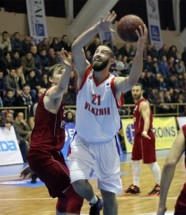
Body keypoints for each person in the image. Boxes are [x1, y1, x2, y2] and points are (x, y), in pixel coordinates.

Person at [69, 11, 147, 215]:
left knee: (110, 194)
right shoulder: (83, 73)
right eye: (96, 51)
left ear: (111, 61)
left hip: (106, 145)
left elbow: (132, 80)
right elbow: (76, 48)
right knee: (77, 182)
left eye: (103, 52)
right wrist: (96, 28)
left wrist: (140, 47)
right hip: (82, 141)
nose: (97, 54)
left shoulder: (114, 83)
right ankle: (94, 202)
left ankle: (102, 201)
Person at [27, 50, 84, 215]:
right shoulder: (51, 94)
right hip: (45, 154)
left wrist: (34, 163)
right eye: (59, 72)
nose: (64, 74)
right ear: (51, 79)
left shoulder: (58, 100)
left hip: (45, 154)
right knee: (76, 191)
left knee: (64, 196)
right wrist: (68, 67)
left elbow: (36, 131)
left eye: (64, 72)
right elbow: (60, 87)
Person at [124, 83, 161, 196]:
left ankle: (159, 186)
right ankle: (136, 186)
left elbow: (147, 119)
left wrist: (145, 131)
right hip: (138, 136)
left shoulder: (143, 103)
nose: (134, 92)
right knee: (135, 160)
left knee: (151, 162)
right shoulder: (137, 104)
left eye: (137, 90)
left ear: (141, 91)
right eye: (133, 90)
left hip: (145, 135)